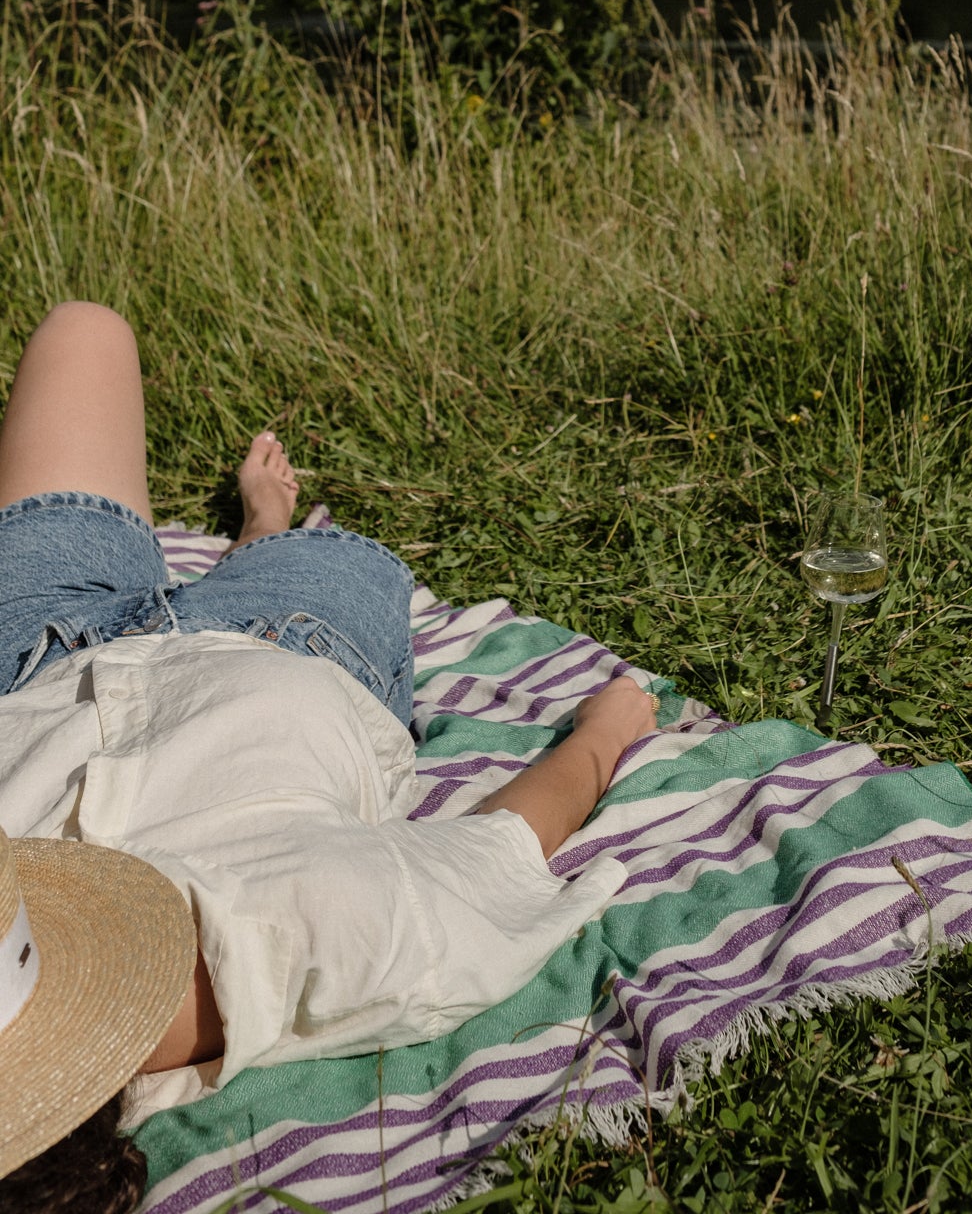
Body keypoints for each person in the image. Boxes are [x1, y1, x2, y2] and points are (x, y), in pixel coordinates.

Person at [0, 302, 657, 1209]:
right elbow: (497, 848)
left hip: (30, 648)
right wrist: (608, 729)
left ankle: (252, 540)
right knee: (323, 558)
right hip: (287, 639)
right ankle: (263, 539)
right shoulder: (308, 940)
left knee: (84, 330)